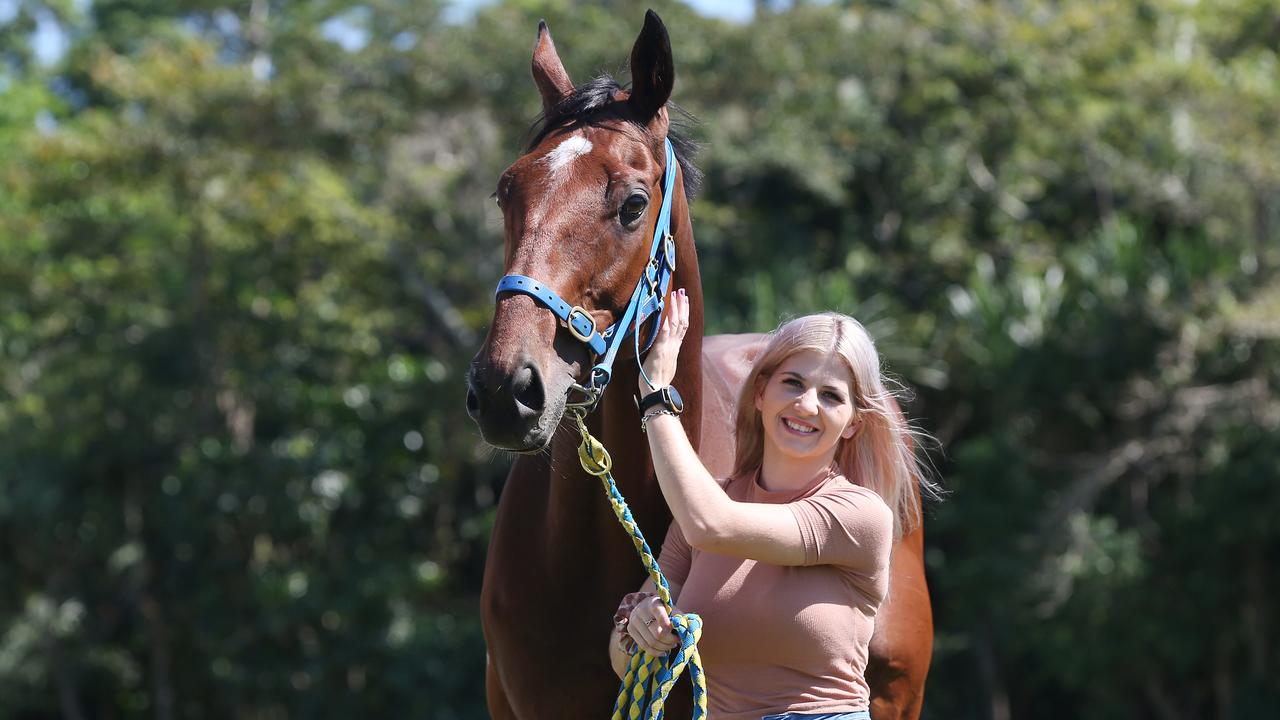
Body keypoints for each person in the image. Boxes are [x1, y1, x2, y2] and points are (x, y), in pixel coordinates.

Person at [608, 289, 931, 720]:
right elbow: (623, 662)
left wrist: (656, 398)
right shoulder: (711, 503)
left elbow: (713, 526)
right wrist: (641, 627)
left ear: (854, 423)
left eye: (831, 396)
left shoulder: (861, 516)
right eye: (793, 383)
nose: (807, 404)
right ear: (761, 392)